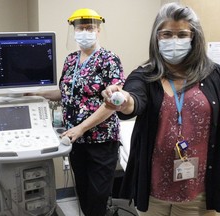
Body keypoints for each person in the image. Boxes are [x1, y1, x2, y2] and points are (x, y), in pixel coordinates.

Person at [101, 3, 220, 216]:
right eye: (167, 34)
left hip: (200, 193)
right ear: (157, 37)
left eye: (182, 34)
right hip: (154, 191)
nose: (174, 41)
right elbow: (133, 100)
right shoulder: (145, 75)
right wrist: (122, 100)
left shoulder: (214, 75)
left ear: (194, 37)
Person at [27, 8, 125, 216]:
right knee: (84, 193)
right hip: (75, 140)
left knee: (97, 198)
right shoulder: (71, 60)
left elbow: (113, 103)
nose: (85, 31)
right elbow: (65, 92)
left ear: (98, 30)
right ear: (73, 30)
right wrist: (35, 94)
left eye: (90, 27)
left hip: (101, 140)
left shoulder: (109, 59)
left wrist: (81, 128)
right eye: (80, 28)